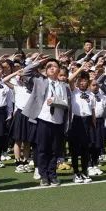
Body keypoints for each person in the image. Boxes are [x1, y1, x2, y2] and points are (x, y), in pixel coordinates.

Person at [20, 57, 70, 187]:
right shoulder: (40, 81)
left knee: (55, 150)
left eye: (54, 66)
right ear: (45, 70)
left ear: (59, 69)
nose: (51, 68)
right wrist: (40, 62)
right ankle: (43, 176)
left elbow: (66, 104)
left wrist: (56, 102)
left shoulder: (63, 85)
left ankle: (52, 174)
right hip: (43, 119)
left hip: (58, 121)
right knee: (42, 149)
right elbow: (25, 72)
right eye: (49, 67)